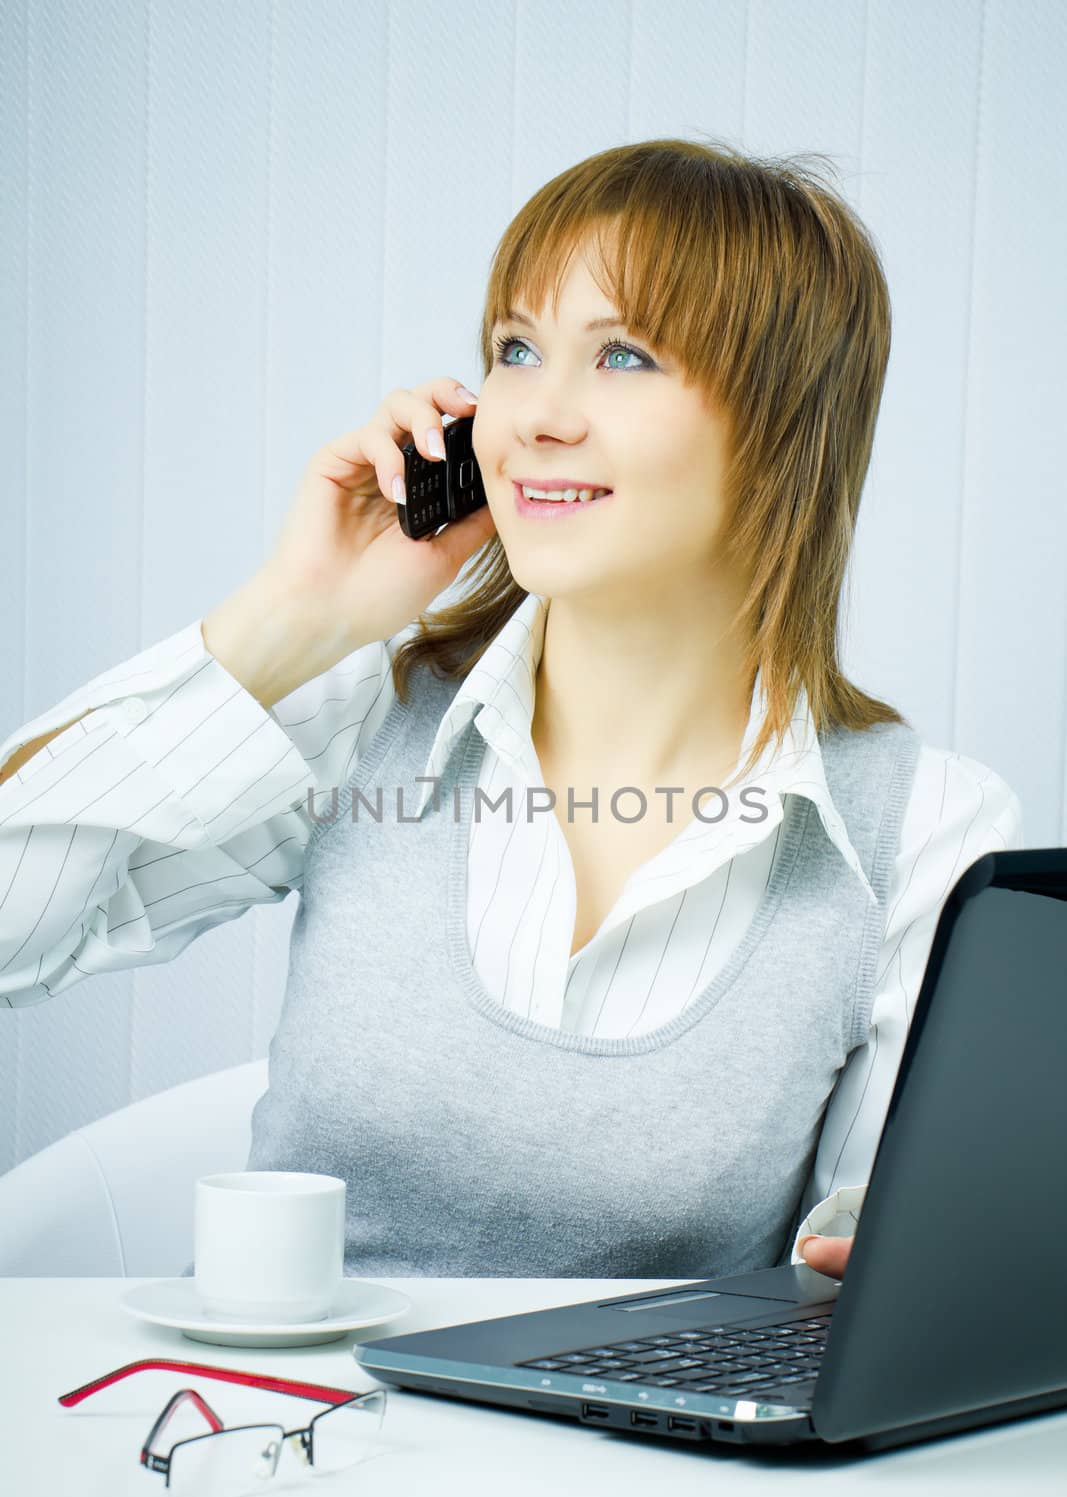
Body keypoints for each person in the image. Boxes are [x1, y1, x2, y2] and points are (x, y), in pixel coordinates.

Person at [0, 137, 1021, 1282]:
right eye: (516, 350)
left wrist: (894, 1262)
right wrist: (290, 618)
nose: (533, 415)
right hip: (281, 1436)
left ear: (786, 426)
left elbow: (873, 1252)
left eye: (623, 354)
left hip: (629, 1456)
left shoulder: (920, 830)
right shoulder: (366, 714)